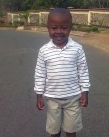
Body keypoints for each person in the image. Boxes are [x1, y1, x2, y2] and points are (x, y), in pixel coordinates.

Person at [34, 8, 91, 137]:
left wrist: (85, 92)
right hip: (52, 98)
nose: (59, 32)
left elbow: (83, 71)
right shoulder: (44, 51)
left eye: (64, 28)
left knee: (71, 130)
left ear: (71, 28)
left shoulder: (77, 49)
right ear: (48, 28)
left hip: (73, 98)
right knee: (54, 131)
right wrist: (39, 95)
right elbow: (40, 73)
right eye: (54, 28)